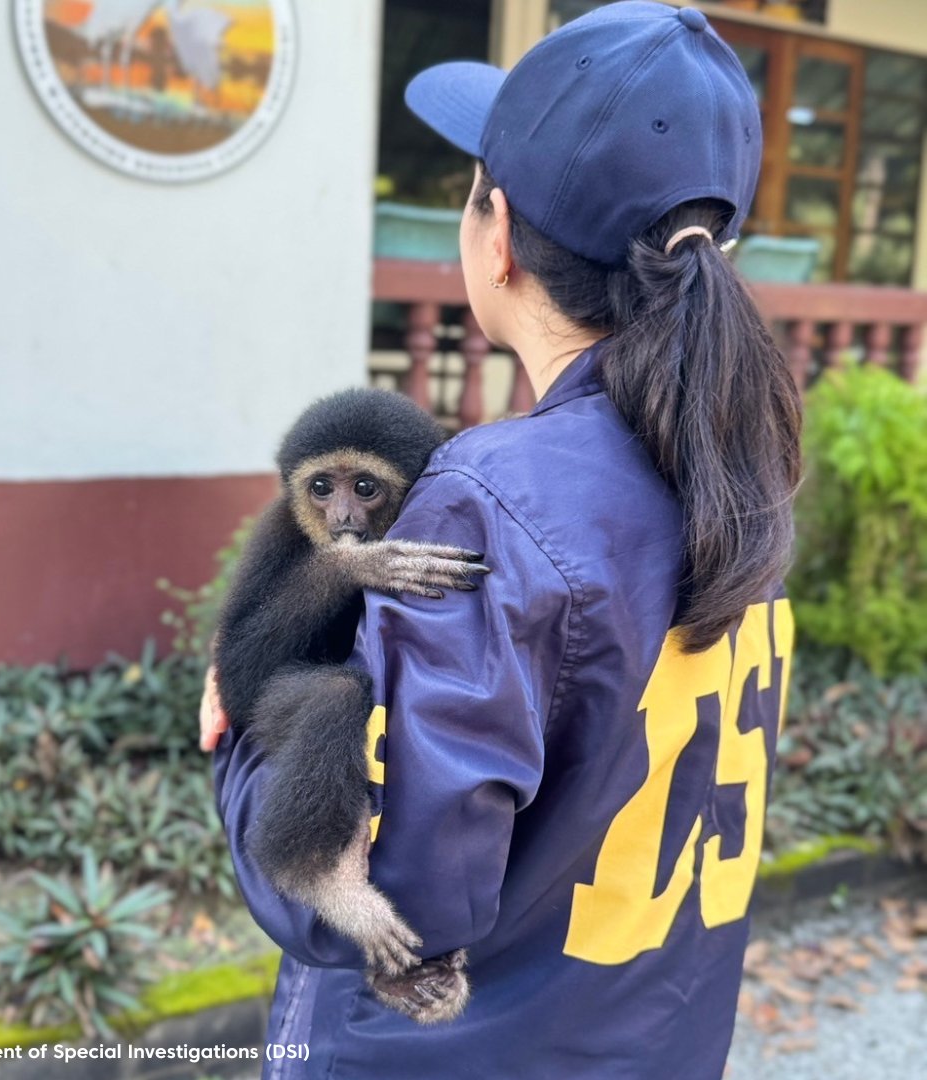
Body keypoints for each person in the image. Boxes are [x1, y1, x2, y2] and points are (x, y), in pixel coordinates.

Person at [202, 3, 802, 1077]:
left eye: (470, 184)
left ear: (499, 233)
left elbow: (385, 902)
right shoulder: (738, 473)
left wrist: (236, 741)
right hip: (652, 1042)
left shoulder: (495, 502)